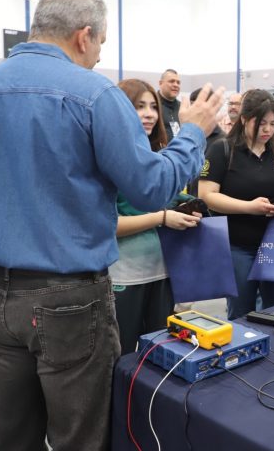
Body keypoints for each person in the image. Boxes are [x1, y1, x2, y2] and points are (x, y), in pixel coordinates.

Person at [0, 0, 223, 450]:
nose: (99, 55)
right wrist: (193, 134)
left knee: (12, 436)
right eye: (100, 43)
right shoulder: (94, 95)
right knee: (81, 438)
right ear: (84, 35)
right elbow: (151, 187)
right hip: (68, 302)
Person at [112, 79, 204, 354]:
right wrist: (162, 218)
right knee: (123, 355)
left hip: (164, 271)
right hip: (124, 277)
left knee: (159, 353)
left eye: (153, 107)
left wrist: (183, 207)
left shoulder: (161, 156)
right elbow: (109, 225)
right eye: (139, 106)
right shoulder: (110, 159)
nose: (149, 114)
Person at [199, 89, 274, 319]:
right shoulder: (222, 149)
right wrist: (249, 207)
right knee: (241, 313)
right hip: (237, 246)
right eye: (261, 123)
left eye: (273, 124)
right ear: (244, 119)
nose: (267, 130)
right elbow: (207, 195)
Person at [158, 68, 182, 142]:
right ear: (160, 83)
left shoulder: (182, 108)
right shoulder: (153, 106)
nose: (176, 85)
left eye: (178, 82)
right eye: (171, 81)